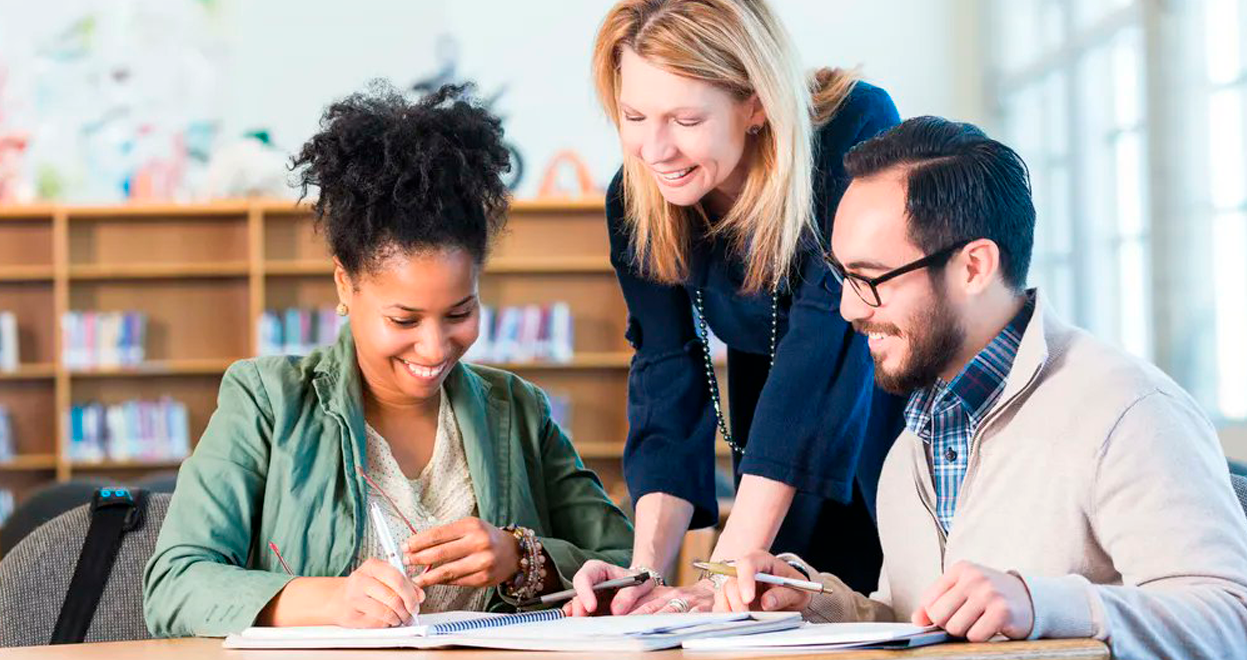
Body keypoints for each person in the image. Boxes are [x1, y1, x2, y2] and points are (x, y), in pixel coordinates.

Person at [717, 116, 1247, 659]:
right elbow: (922, 623)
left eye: (870, 279)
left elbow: (1231, 616)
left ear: (973, 267)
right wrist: (817, 605)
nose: (849, 308)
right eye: (841, 276)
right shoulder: (909, 446)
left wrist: (1040, 604)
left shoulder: (1129, 412)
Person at [142, 84, 634, 637]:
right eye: (404, 320)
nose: (434, 347)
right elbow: (175, 584)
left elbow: (630, 565)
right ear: (344, 284)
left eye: (459, 313)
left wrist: (521, 559)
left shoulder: (517, 410)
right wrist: (328, 601)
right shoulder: (267, 402)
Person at [570, 0, 904, 615]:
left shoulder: (853, 129)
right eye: (634, 115)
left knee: (880, 599)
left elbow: (824, 345)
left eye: (685, 119)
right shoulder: (636, 196)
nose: (654, 148)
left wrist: (725, 569)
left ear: (755, 104)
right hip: (770, 416)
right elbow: (666, 374)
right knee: (765, 608)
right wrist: (643, 570)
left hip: (884, 398)